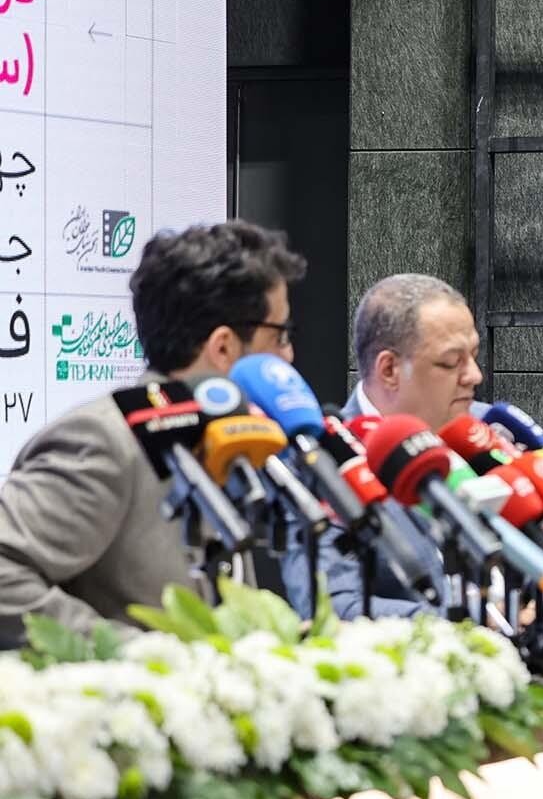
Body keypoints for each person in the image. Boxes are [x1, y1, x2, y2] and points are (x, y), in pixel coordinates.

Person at [0, 221, 306, 646]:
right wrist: (135, 656)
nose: (289, 354)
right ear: (223, 347)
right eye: (280, 334)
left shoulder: (224, 438)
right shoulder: (106, 439)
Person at [283, 273, 479, 617]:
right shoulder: (326, 465)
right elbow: (335, 607)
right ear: (389, 370)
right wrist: (473, 623)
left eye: (475, 356)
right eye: (451, 362)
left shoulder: (488, 432)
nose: (475, 375)